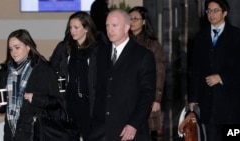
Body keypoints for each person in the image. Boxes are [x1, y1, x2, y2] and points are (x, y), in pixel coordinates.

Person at [89, 9, 156, 141]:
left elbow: (147, 94)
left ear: (126, 27)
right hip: (101, 130)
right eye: (107, 26)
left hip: (128, 129)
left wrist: (134, 124)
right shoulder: (100, 53)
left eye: (114, 25)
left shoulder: (142, 55)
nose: (110, 30)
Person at [0, 29, 63, 141]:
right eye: (11, 49)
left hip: (35, 132)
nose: (13, 52)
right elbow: (2, 109)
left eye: (17, 47)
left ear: (28, 47)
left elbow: (57, 102)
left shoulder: (43, 70)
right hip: (11, 133)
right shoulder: (5, 73)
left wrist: (35, 98)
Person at [188, 0, 240, 141]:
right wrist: (193, 98)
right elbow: (195, 70)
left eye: (215, 10)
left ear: (225, 13)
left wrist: (222, 77)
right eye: (209, 11)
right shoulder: (200, 37)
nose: (211, 14)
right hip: (208, 103)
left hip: (231, 103)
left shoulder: (237, 36)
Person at [50, 11, 106, 141]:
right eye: (70, 27)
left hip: (90, 104)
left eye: (76, 27)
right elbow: (51, 70)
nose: (72, 31)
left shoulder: (98, 49)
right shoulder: (64, 48)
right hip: (69, 103)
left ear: (86, 28)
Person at [128, 6, 166, 139]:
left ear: (144, 21)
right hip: (127, 96)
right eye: (130, 19)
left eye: (136, 19)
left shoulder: (152, 45)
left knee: (144, 132)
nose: (132, 21)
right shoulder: (124, 41)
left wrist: (157, 98)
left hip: (146, 95)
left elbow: (159, 72)